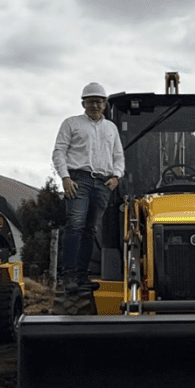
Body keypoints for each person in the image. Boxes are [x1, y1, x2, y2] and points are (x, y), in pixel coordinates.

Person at [52, 82, 125, 292]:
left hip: (103, 183)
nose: (95, 105)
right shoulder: (71, 123)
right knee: (75, 225)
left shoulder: (111, 128)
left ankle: (82, 276)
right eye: (91, 101)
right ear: (83, 103)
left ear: (105, 104)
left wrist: (116, 177)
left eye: (99, 101)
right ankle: (68, 277)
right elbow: (59, 151)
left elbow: (118, 156)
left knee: (90, 230)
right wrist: (65, 178)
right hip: (78, 180)